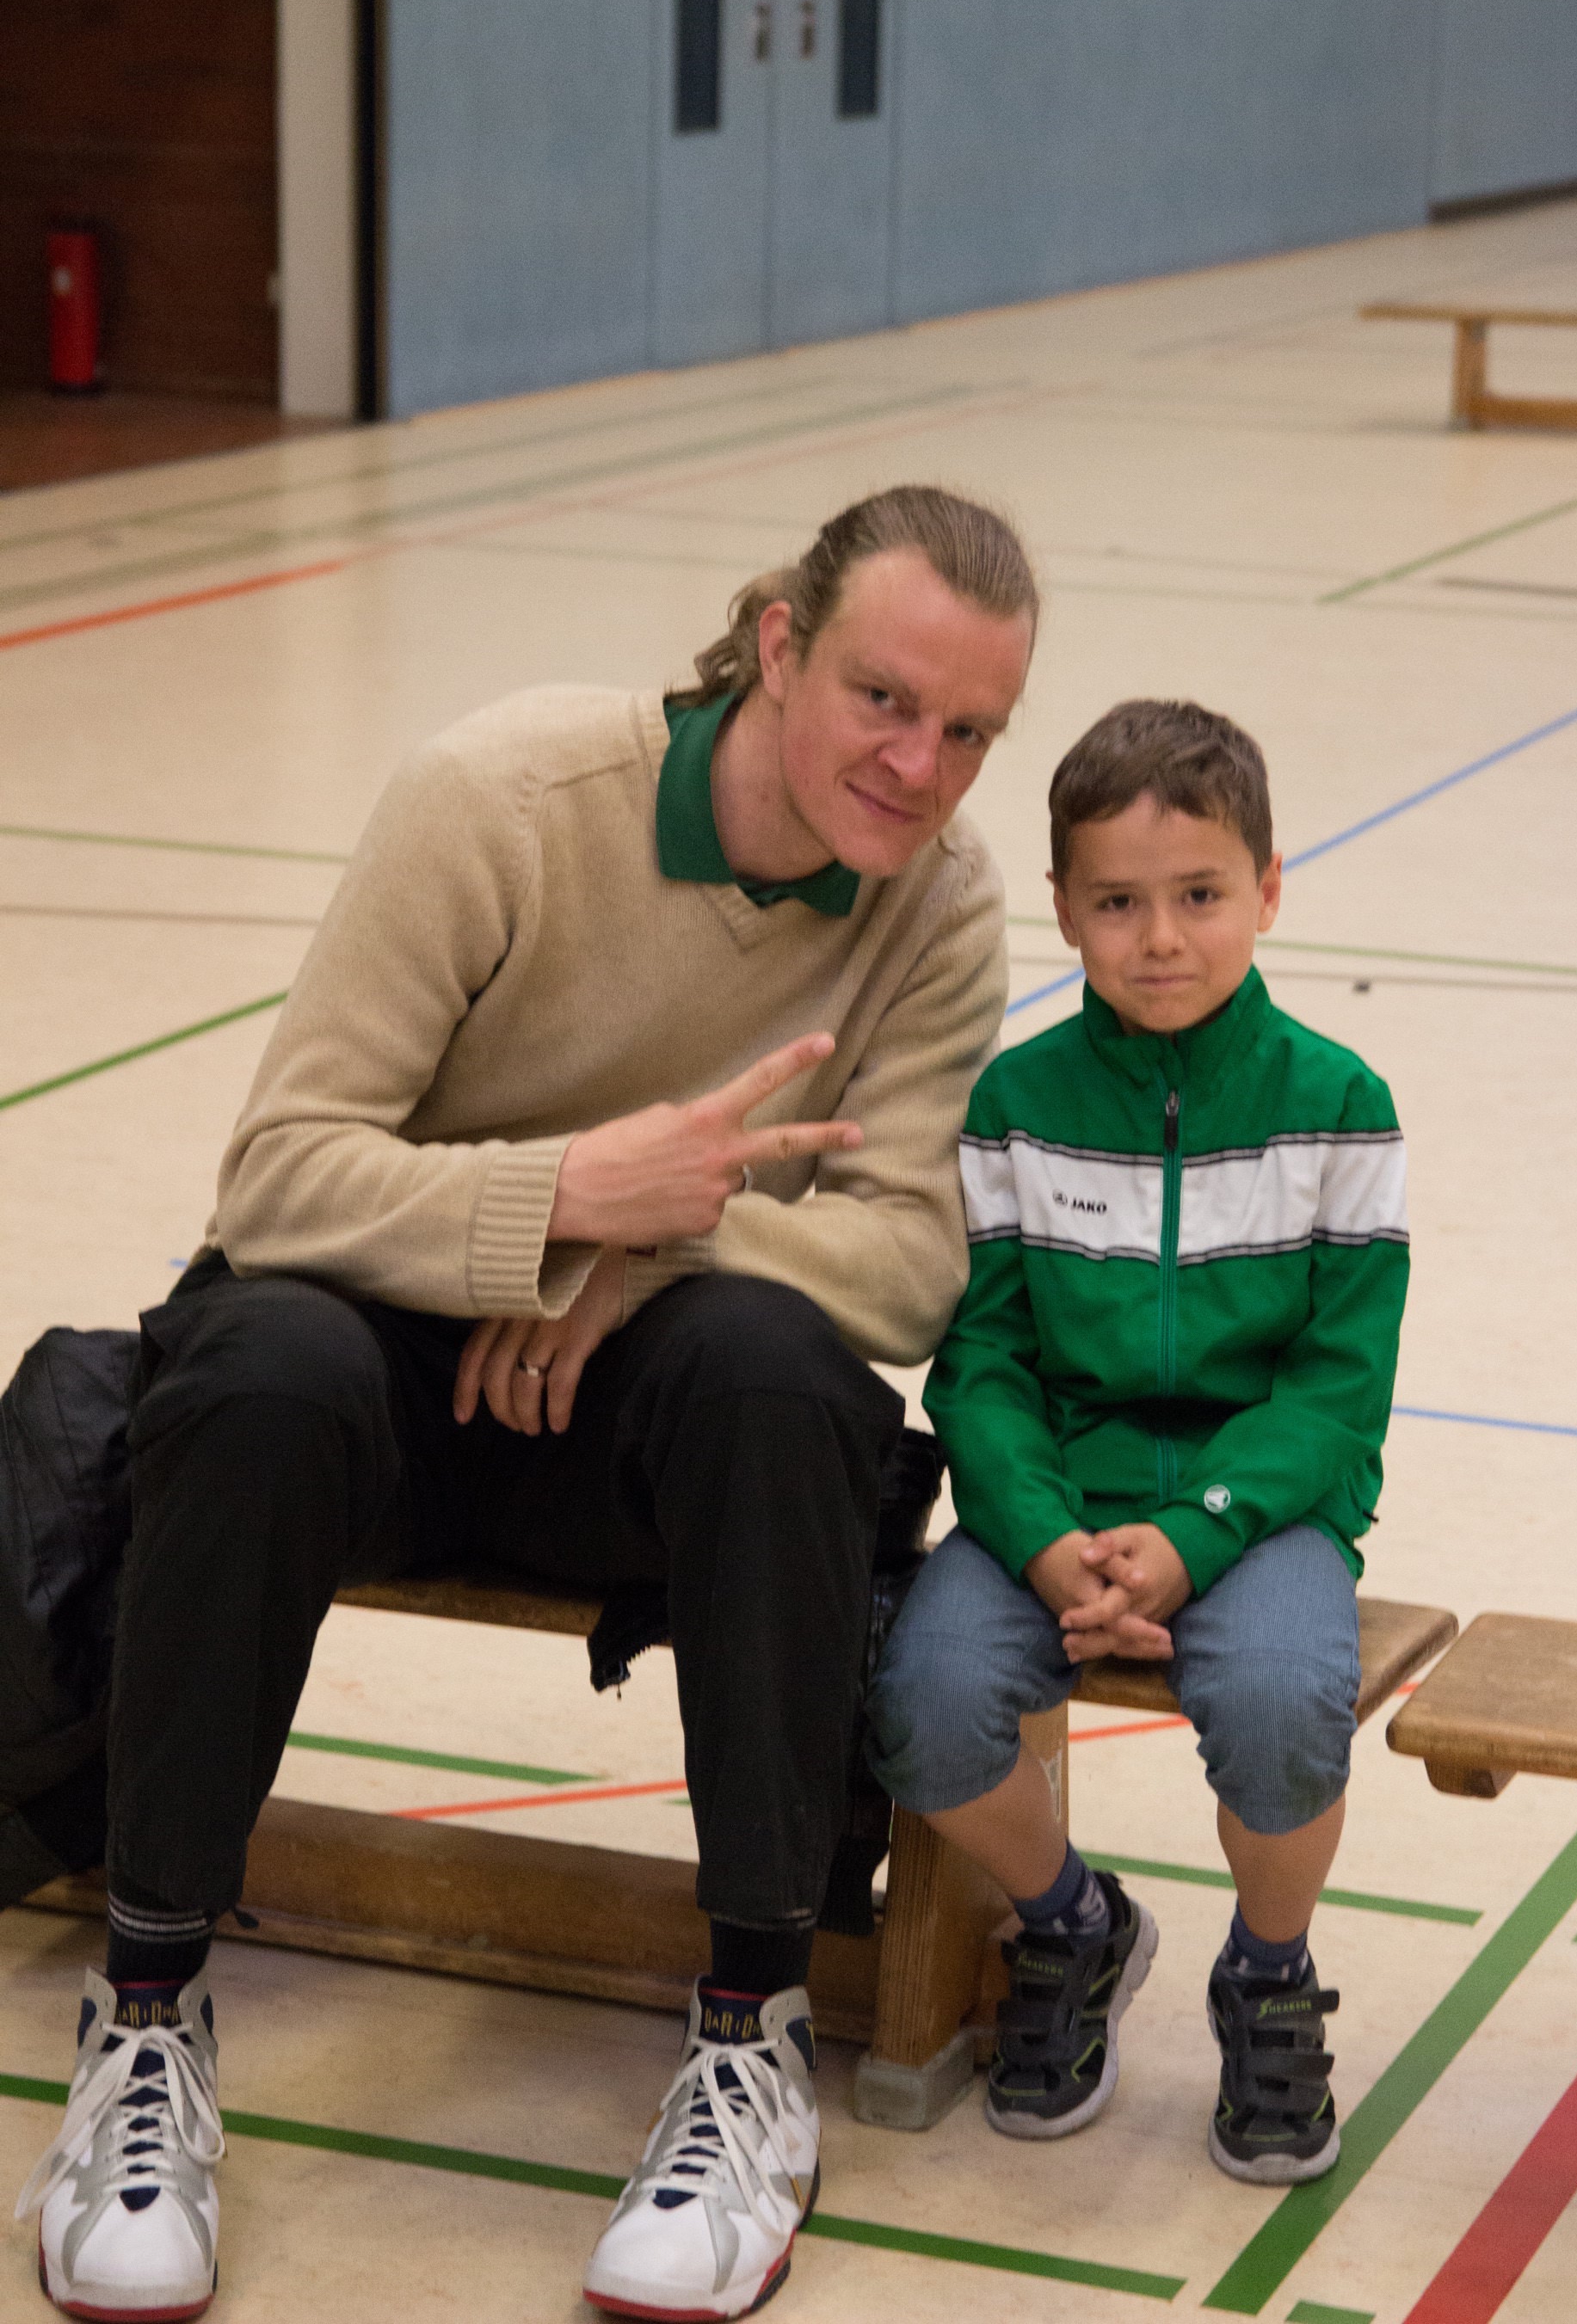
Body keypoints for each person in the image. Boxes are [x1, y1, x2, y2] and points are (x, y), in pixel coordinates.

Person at [15, 486, 1039, 2324]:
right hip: (380, 1366)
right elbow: (276, 1178)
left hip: (627, 1394)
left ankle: (750, 2038)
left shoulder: (942, 906)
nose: (921, 766)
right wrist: (560, 1195)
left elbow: (905, 1267)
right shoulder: (502, 798)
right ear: (780, 647)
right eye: (885, 699)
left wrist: (647, 1245)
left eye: (971, 730)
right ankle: (145, 2011)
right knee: (256, 1366)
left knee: (783, 1379)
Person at [868, 698, 1408, 2182]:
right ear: (1062, 908)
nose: (1160, 938)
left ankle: (1269, 1973)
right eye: (1116, 903)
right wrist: (1043, 1538)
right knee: (921, 1699)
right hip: (1052, 1502)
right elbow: (982, 1362)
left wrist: (1195, 1534)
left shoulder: (1342, 1109)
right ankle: (1074, 1923)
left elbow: (1337, 1392)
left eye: (1200, 895)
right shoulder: (1015, 1104)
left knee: (1287, 1699)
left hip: (1263, 1514)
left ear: (1269, 890)